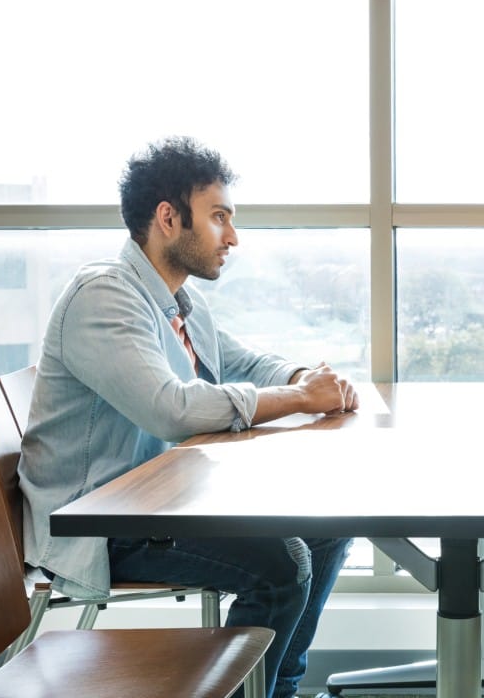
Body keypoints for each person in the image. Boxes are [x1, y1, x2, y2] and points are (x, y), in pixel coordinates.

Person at [18, 136, 358, 698]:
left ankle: (278, 691)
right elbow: (169, 408)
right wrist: (299, 400)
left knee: (324, 530)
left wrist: (300, 377)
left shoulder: (179, 302)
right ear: (168, 218)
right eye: (219, 217)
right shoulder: (104, 296)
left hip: (157, 502)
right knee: (282, 560)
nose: (232, 237)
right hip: (98, 523)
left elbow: (240, 362)